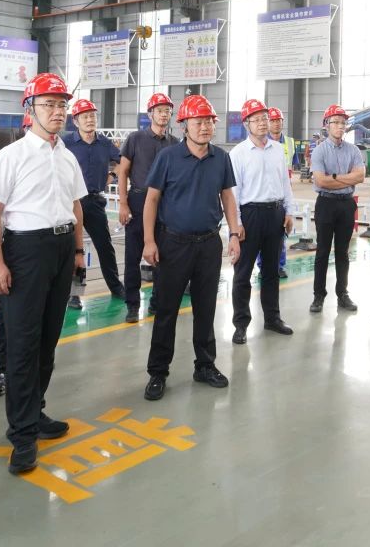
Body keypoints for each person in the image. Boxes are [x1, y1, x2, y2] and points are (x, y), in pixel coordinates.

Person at [0, 73, 87, 475]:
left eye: (62, 105)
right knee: (24, 344)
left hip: (60, 250)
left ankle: (36, 411)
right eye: (49, 104)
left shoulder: (67, 156)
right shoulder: (11, 156)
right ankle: (22, 434)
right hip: (25, 251)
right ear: (30, 110)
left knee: (47, 339)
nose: (58, 111)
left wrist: (77, 250)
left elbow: (75, 206)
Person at [141, 95, 242, 400]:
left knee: (206, 308)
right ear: (184, 125)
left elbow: (227, 197)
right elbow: (152, 200)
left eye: (209, 121)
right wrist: (149, 240)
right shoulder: (168, 158)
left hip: (209, 244)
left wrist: (234, 233)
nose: (205, 127)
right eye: (198, 122)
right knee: (167, 309)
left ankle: (205, 365)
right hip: (173, 244)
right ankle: (158, 372)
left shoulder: (221, 158)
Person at [229, 98, 296, 345]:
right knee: (243, 273)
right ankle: (241, 324)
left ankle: (272, 318)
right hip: (250, 216)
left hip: (275, 214)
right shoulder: (238, 154)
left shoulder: (278, 150)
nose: (262, 123)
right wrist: (236, 225)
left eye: (265, 118)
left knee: (271, 271)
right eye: (256, 119)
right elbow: (233, 192)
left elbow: (285, 183)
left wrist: (289, 211)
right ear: (246, 124)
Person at [0, 113, 31, 401]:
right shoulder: (11, 156)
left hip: (50, 247)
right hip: (18, 245)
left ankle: (28, 374)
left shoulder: (60, 156)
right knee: (8, 315)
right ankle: (2, 371)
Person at [116, 93, 178, 323]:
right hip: (138, 201)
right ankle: (133, 305)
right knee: (133, 257)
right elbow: (122, 172)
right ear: (150, 114)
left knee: (163, 257)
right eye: (159, 110)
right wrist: (123, 203)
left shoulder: (174, 143)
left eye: (167, 111)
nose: (164, 114)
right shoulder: (135, 139)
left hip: (164, 204)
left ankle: (156, 302)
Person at [64, 98, 124, 308]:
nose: (90, 120)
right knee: (74, 249)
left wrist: (112, 176)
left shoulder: (104, 143)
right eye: (85, 117)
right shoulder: (66, 143)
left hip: (94, 201)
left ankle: (116, 287)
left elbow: (122, 160)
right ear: (76, 121)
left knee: (105, 247)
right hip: (72, 202)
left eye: (92, 116)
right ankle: (74, 294)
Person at [308, 104, 364, 314]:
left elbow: (360, 176)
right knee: (322, 251)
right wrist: (346, 179)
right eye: (336, 122)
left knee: (343, 252)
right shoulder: (319, 151)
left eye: (343, 123)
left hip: (347, 205)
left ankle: (342, 294)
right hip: (326, 204)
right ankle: (318, 295)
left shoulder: (353, 150)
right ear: (326, 125)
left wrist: (333, 178)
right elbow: (321, 181)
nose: (341, 126)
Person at [257, 106, 294, 278]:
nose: (276, 123)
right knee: (261, 235)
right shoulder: (260, 141)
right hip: (263, 192)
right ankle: (262, 265)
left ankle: (279, 265)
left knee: (281, 232)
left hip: (282, 188)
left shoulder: (289, 142)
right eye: (273, 120)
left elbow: (291, 167)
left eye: (279, 120)